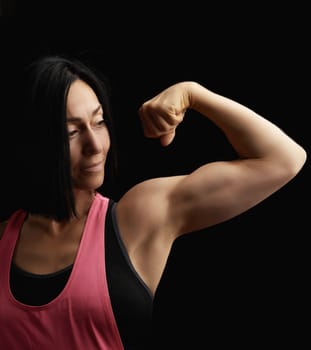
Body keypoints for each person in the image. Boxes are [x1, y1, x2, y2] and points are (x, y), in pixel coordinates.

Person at [0, 54, 306, 350]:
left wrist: (193, 93)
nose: (95, 145)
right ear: (35, 142)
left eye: (99, 122)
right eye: (72, 132)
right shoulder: (3, 239)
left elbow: (283, 160)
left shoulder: (137, 219)